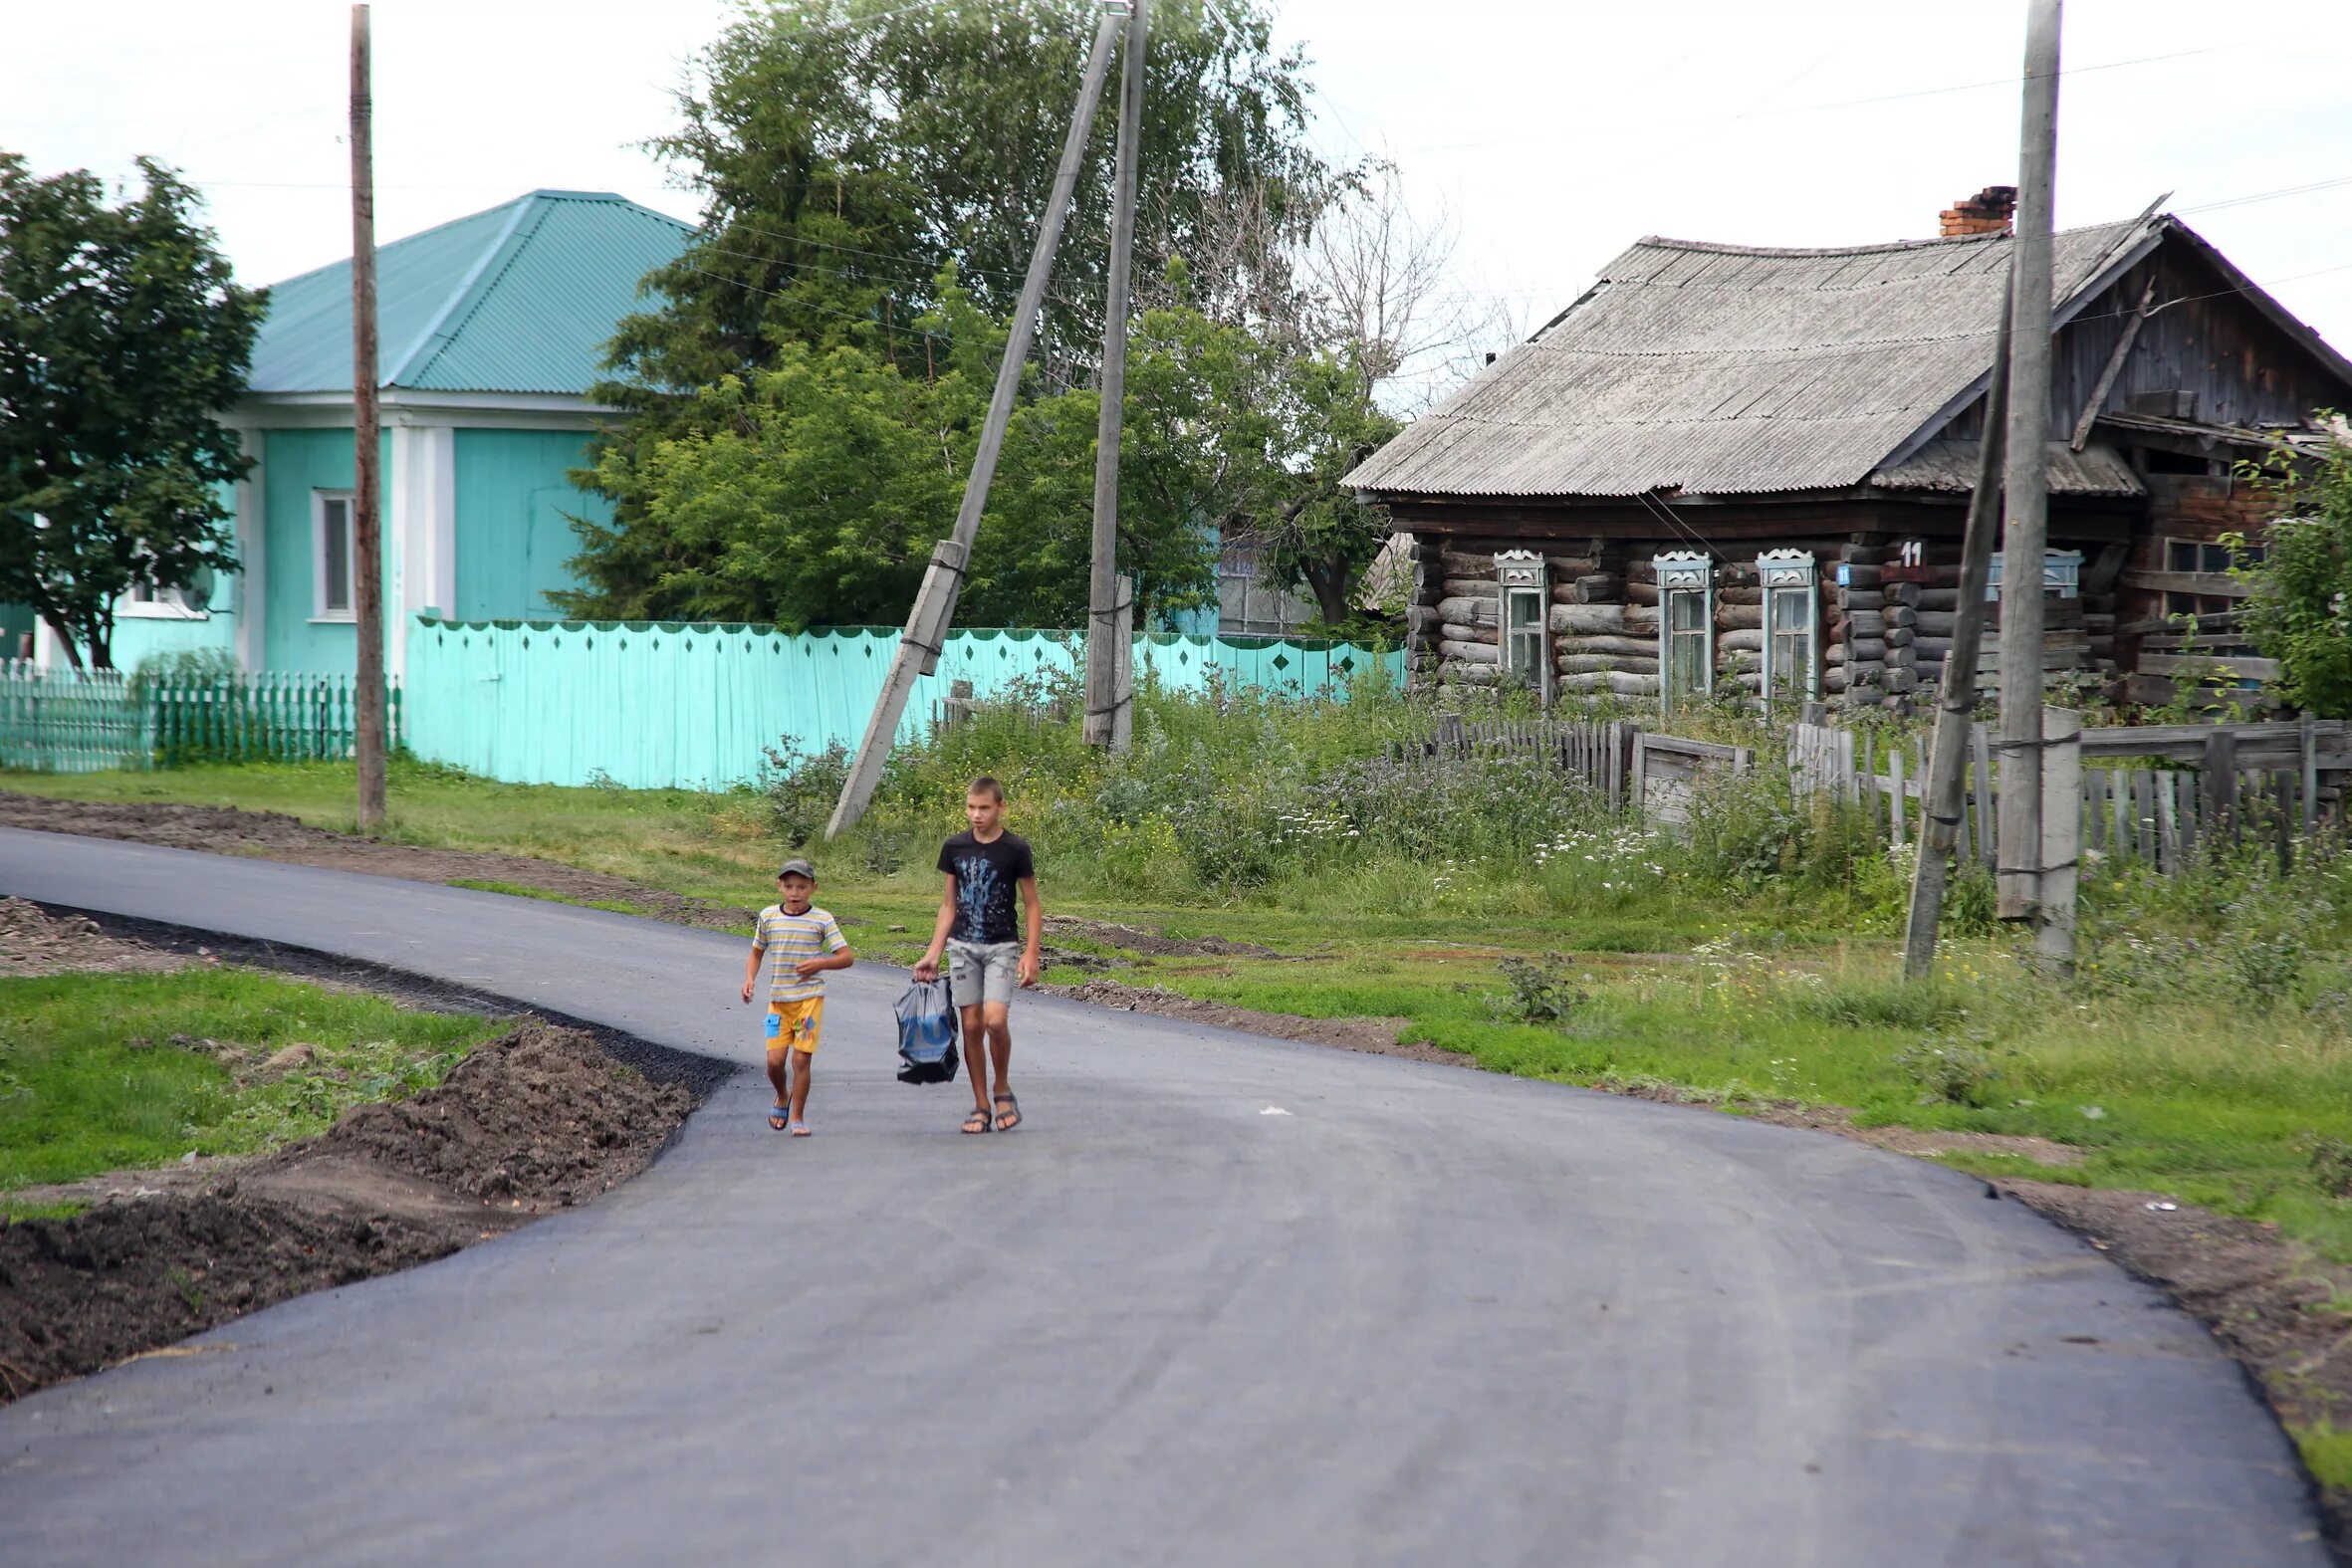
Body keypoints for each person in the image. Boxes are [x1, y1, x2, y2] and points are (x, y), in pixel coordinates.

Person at [914, 777, 1041, 1134]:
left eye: (984, 807)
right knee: (970, 1025)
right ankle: (981, 1104)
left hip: (1002, 946)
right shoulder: (954, 847)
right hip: (963, 947)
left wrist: (1031, 952)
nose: (976, 814)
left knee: (994, 1022)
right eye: (971, 807)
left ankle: (1002, 1088)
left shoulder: (1016, 849)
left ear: (1001, 807)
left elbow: (1032, 904)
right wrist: (933, 953)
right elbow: (948, 904)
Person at [741, 857, 853, 1136]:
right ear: (779, 886)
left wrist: (820, 963)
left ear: (813, 888)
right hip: (778, 1002)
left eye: (801, 887)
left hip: (809, 1000)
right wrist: (749, 979)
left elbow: (846, 957)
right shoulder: (768, 917)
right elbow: (757, 952)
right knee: (774, 1062)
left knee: (801, 1060)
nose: (795, 893)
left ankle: (798, 1118)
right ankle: (782, 1094)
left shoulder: (822, 919)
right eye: (789, 886)